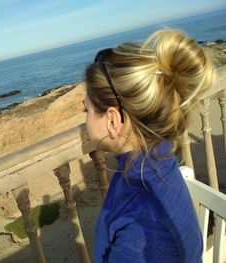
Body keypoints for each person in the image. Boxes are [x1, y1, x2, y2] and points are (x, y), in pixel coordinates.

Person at [83, 29, 215, 262]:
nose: (84, 121)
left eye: (87, 109)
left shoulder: (143, 236)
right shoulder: (157, 159)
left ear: (114, 121)